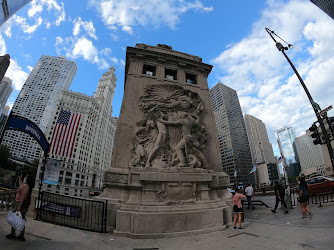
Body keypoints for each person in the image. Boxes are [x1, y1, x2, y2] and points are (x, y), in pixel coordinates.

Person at [6, 172, 35, 241]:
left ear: (27, 179)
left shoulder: (25, 186)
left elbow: (22, 196)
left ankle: (13, 234)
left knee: (15, 218)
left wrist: (18, 206)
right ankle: (21, 235)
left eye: (26, 177)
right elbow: (20, 188)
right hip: (24, 205)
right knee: (21, 219)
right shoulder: (26, 186)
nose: (25, 177)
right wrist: (19, 179)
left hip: (20, 204)